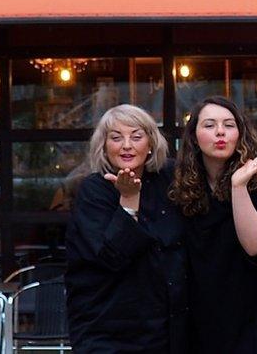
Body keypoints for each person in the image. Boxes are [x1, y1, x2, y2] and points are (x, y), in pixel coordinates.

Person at [169, 96, 257, 353]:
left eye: (229, 125)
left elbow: (255, 247)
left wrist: (238, 186)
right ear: (194, 136)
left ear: (240, 133)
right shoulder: (182, 183)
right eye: (209, 125)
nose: (220, 131)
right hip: (206, 313)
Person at [65, 104, 186, 353]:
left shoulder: (168, 179)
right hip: (107, 331)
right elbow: (113, 257)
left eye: (136, 136)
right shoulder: (93, 191)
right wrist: (129, 199)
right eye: (116, 138)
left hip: (165, 331)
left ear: (151, 143)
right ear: (104, 146)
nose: (127, 145)